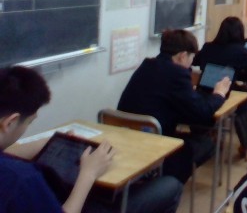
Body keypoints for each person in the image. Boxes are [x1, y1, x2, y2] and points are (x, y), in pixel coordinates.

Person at [0, 66, 182, 213]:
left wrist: (47, 142)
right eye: (30, 122)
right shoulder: (22, 179)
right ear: (10, 123)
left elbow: (7, 154)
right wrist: (88, 174)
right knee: (170, 186)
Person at [118, 29, 231, 183]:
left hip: (127, 137)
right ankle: (169, 182)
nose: (191, 62)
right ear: (182, 56)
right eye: (192, 58)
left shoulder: (147, 65)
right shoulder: (177, 74)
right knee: (206, 144)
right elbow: (202, 112)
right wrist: (219, 93)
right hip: (156, 143)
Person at [195, 17, 247, 158]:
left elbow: (195, 61)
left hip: (203, 91)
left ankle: (211, 132)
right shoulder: (240, 51)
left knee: (244, 94)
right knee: (246, 100)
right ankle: (245, 143)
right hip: (226, 91)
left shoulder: (208, 47)